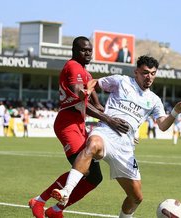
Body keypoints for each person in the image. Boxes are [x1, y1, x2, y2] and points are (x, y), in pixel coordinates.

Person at [51, 55, 181, 217]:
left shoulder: (154, 100)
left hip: (125, 148)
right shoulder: (121, 81)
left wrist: (175, 112)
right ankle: (66, 191)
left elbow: (162, 126)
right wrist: (88, 90)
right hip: (106, 133)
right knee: (93, 144)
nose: (149, 77)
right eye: (145, 73)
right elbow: (95, 81)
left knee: (136, 197)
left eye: (153, 73)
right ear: (136, 72)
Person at [28, 36, 129, 218]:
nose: (88, 53)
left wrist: (121, 121)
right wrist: (109, 120)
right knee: (86, 170)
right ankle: (39, 201)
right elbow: (79, 102)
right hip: (67, 123)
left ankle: (56, 210)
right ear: (74, 51)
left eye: (90, 50)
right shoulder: (73, 67)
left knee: (95, 177)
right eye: (84, 50)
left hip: (79, 125)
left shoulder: (87, 74)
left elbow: (98, 106)